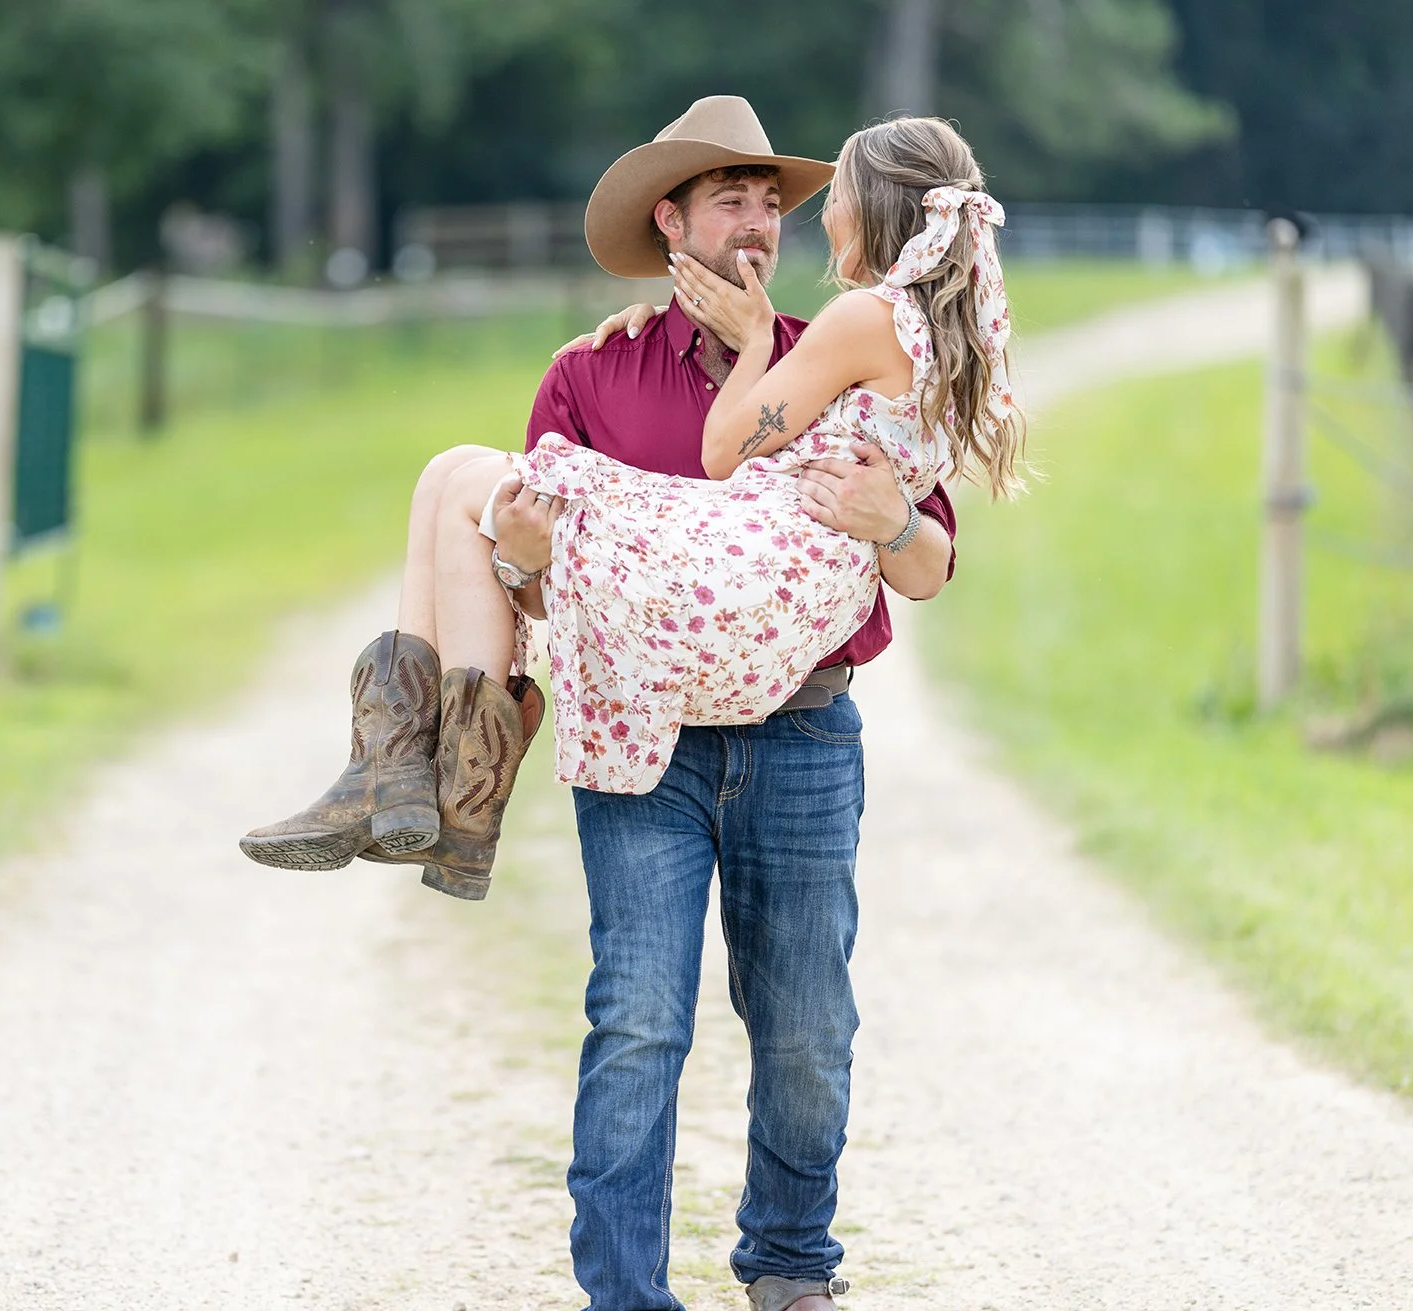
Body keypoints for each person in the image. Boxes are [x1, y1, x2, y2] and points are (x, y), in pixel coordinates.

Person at [241, 101, 1024, 1308]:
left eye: (775, 200)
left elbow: (929, 563)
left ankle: (789, 1268)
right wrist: (515, 548)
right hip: (643, 744)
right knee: (638, 1025)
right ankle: (623, 1295)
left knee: (809, 1029)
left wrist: (892, 519)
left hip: (802, 729)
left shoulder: (832, 343)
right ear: (672, 222)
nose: (762, 220)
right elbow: (529, 580)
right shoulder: (591, 371)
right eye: (731, 199)